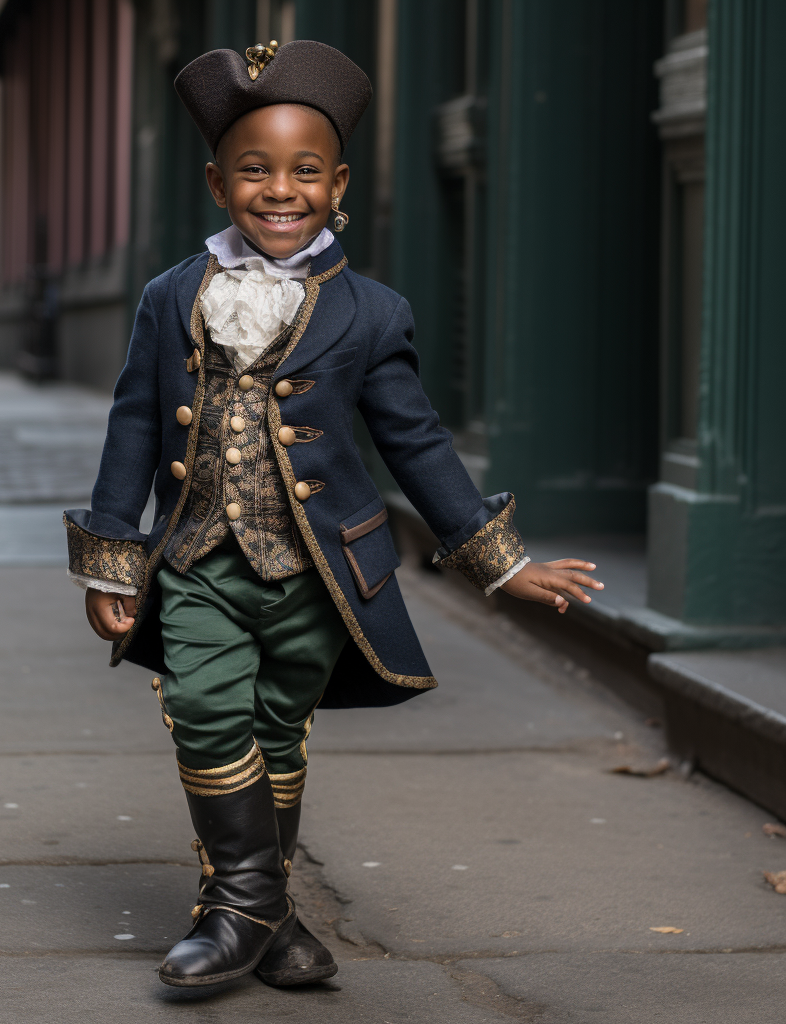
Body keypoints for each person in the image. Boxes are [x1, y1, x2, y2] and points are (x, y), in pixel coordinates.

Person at [64, 39, 603, 989]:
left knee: (277, 730)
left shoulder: (374, 311)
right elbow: (134, 426)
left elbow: (418, 443)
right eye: (256, 170)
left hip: (319, 572)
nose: (282, 189)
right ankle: (238, 902)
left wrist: (501, 560)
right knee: (201, 708)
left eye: (305, 171)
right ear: (217, 181)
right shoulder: (167, 297)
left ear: (338, 181)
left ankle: (264, 915)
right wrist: (112, 559)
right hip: (195, 559)